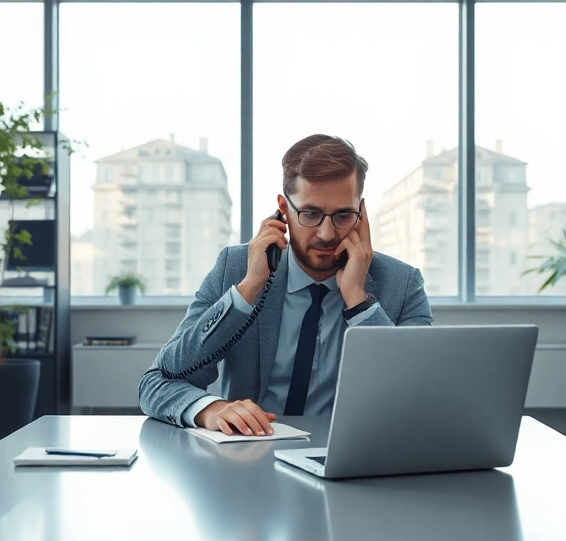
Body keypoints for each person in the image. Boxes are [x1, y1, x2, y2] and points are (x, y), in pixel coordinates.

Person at [139, 134, 432, 436]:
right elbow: (158, 381)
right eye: (311, 214)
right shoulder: (236, 268)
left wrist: (359, 301)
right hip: (251, 455)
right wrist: (209, 409)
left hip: (354, 457)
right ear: (283, 210)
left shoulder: (403, 284)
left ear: (361, 214)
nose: (327, 234)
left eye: (344, 215)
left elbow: (424, 398)